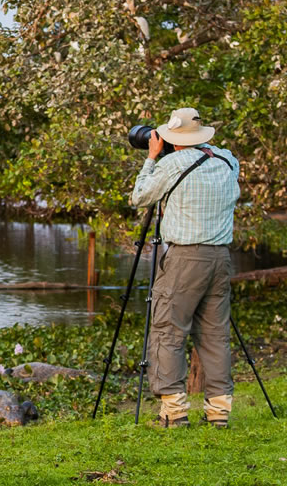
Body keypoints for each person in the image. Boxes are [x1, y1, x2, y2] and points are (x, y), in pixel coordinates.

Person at [130, 107, 240, 428]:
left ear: (173, 140)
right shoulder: (227, 161)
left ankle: (174, 412)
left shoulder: (172, 163)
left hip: (184, 259)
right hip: (219, 259)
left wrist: (152, 157)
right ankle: (219, 412)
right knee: (216, 334)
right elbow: (215, 159)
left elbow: (140, 197)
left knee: (168, 330)